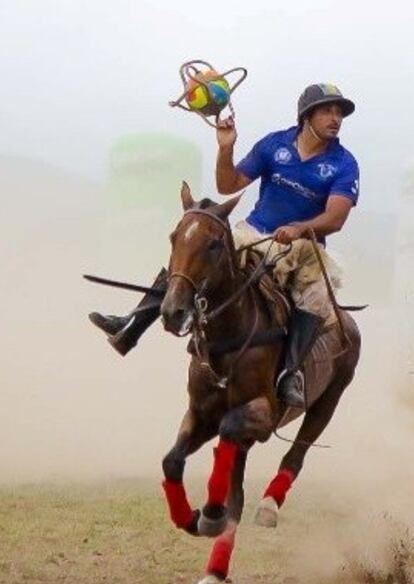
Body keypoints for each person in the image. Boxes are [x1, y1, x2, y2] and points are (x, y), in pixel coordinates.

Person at [89, 83, 361, 408]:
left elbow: (335, 218)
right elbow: (228, 184)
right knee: (197, 253)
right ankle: (131, 325)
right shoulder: (274, 145)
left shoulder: (345, 164)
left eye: (339, 112)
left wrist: (300, 228)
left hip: (305, 249)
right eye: (327, 110)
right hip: (254, 234)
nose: (336, 118)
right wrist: (226, 148)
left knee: (316, 299)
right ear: (307, 115)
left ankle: (290, 374)